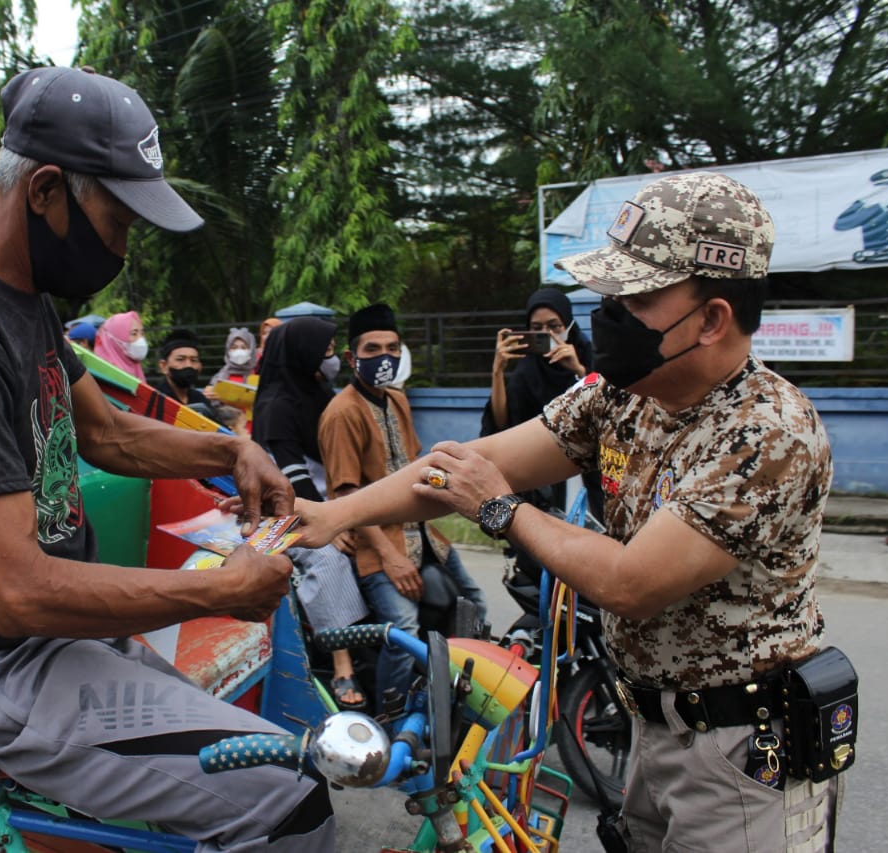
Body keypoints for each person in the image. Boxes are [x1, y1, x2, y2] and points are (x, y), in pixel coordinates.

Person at [0, 66, 333, 852]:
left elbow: (107, 434)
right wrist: (220, 590)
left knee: (267, 753)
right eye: (116, 222)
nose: (122, 246)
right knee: (287, 799)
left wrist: (231, 446)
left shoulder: (24, 300)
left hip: (61, 647)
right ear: (45, 190)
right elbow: (18, 593)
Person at [296, 173, 842, 852]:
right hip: (651, 723)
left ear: (711, 319)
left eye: (636, 297)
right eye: (609, 294)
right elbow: (461, 465)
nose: (608, 315)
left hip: (740, 750)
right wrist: (327, 516)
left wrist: (499, 508)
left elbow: (631, 582)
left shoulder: (767, 431)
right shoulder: (621, 394)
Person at [316, 303, 488, 707]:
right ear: (350, 357)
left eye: (392, 348)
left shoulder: (396, 400)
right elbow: (346, 496)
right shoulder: (341, 413)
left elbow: (414, 466)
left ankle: (459, 698)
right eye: (372, 349)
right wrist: (390, 558)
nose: (384, 357)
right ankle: (392, 714)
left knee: (474, 604)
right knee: (403, 631)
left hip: (425, 534)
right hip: (380, 547)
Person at [251, 317, 369, 710]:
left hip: (331, 502)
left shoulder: (321, 394)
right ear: (302, 352)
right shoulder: (276, 406)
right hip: (286, 511)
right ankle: (342, 665)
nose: (332, 357)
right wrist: (331, 523)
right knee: (328, 557)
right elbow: (291, 477)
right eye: (328, 349)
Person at [481, 287, 603, 542]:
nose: (546, 334)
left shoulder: (592, 358)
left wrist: (580, 370)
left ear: (569, 324)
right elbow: (503, 426)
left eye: (554, 326)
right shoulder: (527, 371)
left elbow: (609, 409)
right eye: (536, 328)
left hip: (591, 478)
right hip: (546, 480)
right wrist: (497, 371)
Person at [151, 327, 212, 408]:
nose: (188, 365)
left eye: (193, 360)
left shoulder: (201, 400)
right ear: (164, 366)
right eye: (180, 359)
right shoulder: (153, 400)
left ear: (200, 367)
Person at [93, 309, 148, 380]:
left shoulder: (136, 368)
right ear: (115, 339)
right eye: (134, 333)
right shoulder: (105, 375)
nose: (140, 338)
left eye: (142, 333)